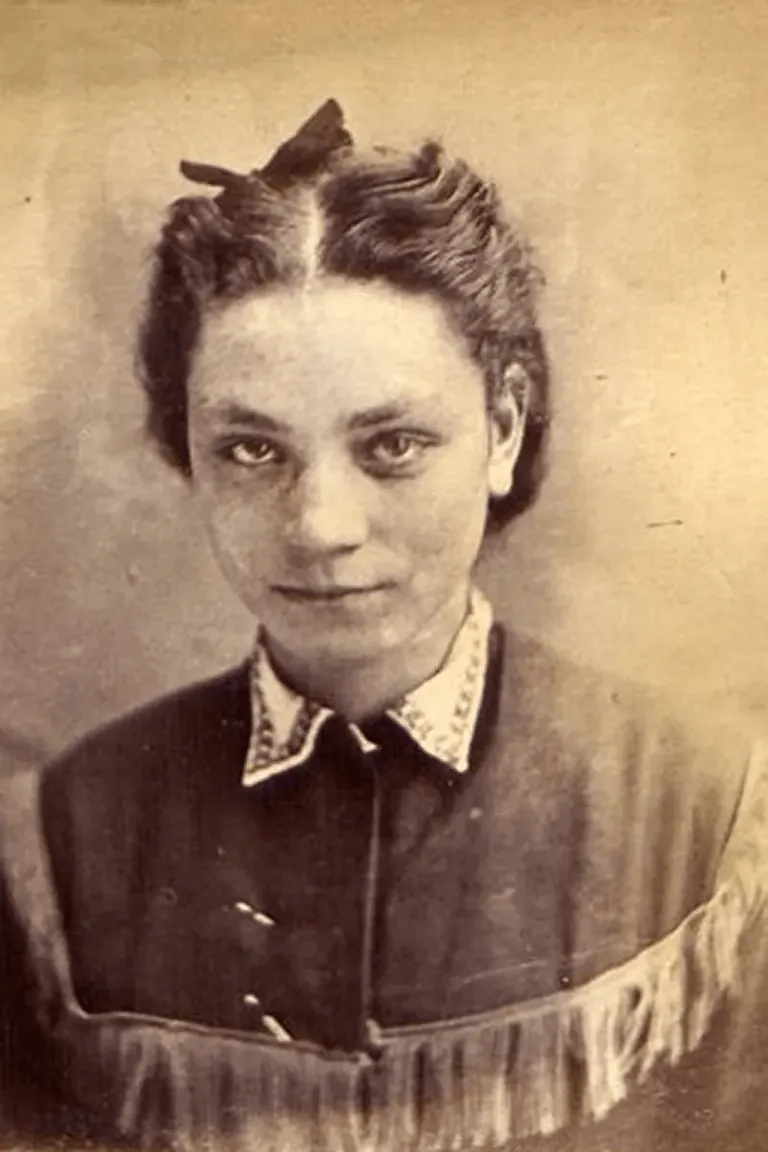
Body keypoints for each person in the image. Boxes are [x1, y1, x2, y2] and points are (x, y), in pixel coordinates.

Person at [1, 98, 767, 1152]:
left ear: (501, 430)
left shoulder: (708, 809)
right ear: (186, 449)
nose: (320, 527)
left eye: (394, 444)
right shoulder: (61, 840)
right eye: (252, 451)